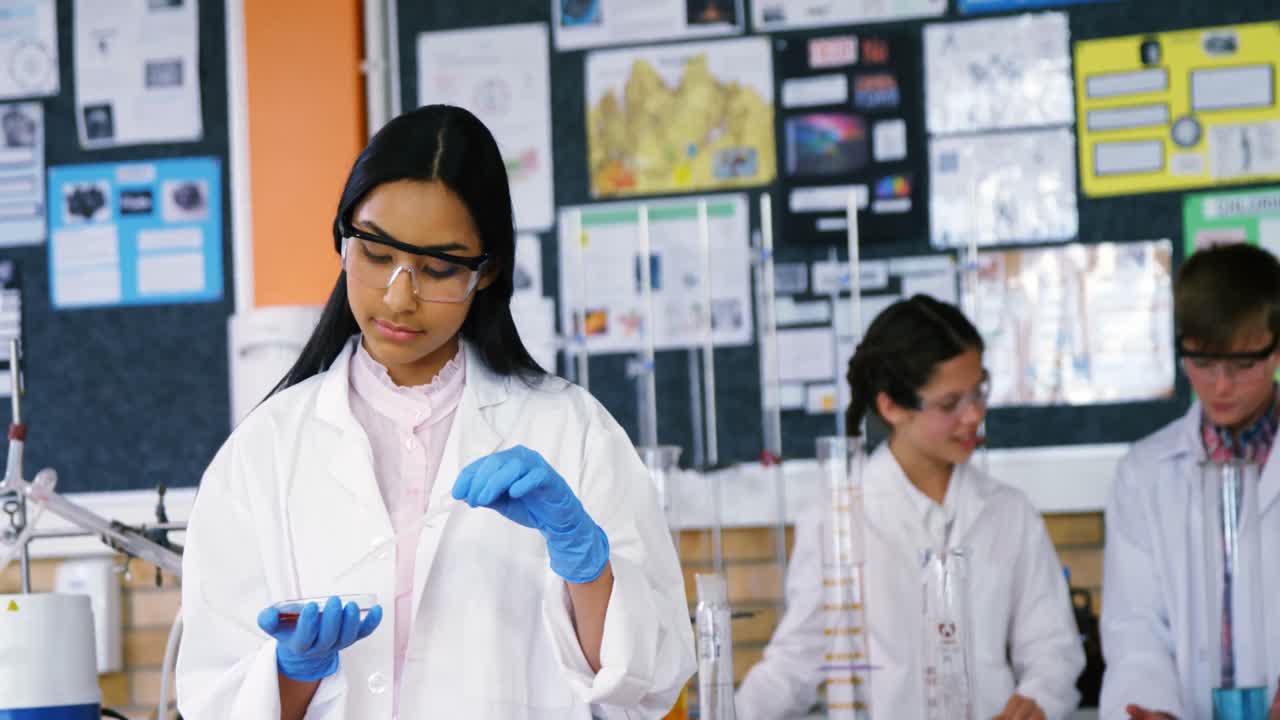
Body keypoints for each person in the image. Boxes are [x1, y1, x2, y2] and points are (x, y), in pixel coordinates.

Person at [176, 105, 695, 719]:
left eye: (439, 268)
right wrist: (290, 672)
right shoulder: (263, 451)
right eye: (374, 253)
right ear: (342, 238)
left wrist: (586, 562)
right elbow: (214, 696)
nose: (399, 296)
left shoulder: (570, 431)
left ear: (489, 270)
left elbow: (650, 684)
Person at [736, 295, 1083, 720]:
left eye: (979, 392)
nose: (973, 415)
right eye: (949, 403)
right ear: (891, 406)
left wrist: (1040, 700)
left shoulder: (1010, 513)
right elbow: (796, 662)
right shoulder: (838, 518)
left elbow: (1053, 650)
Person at [1101, 242, 1280, 720]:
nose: (1220, 385)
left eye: (1242, 366)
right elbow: (1135, 628)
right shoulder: (1143, 475)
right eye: (1202, 363)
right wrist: (1151, 709)